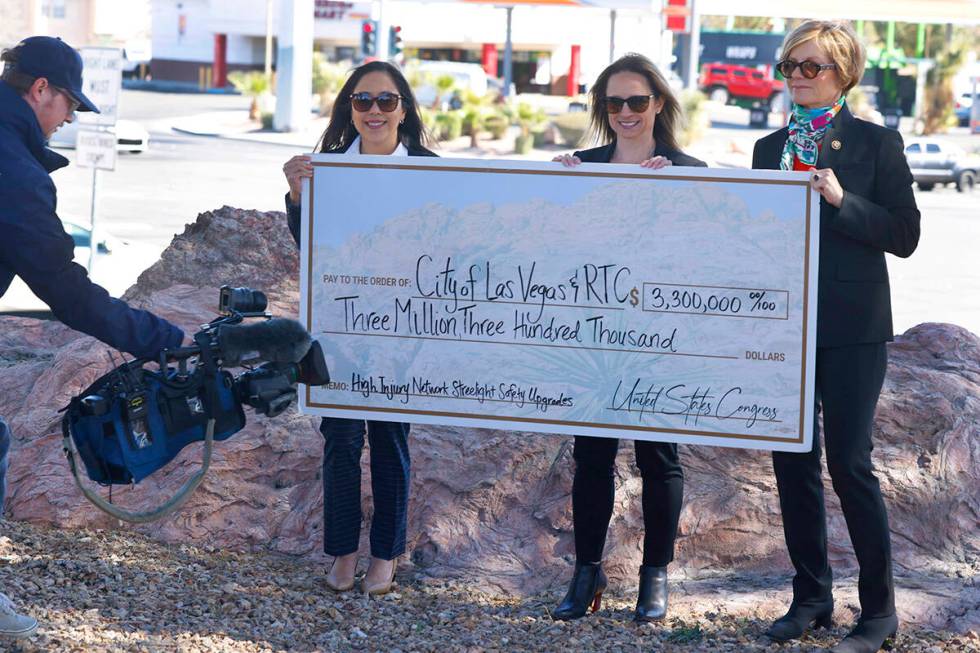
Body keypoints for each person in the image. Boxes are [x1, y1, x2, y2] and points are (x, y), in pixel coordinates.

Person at [0, 36, 185, 639]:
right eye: (69, 105)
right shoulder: (15, 170)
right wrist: (160, 339)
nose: (70, 119)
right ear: (40, 91)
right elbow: (65, 289)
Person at [752, 20, 919, 653]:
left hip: (853, 329)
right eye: (789, 65)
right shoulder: (769, 149)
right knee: (791, 463)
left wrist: (842, 199)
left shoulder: (878, 144)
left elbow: (905, 235)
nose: (797, 76)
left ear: (843, 72)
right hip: (785, 327)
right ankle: (811, 597)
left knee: (850, 465)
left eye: (812, 66)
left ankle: (879, 612)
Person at [550, 53, 705, 623]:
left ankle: (654, 576)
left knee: (658, 458)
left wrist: (677, 200)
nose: (625, 112)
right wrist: (555, 190)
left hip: (658, 338)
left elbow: (706, 256)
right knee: (592, 457)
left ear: (658, 104)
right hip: (594, 337)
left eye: (637, 101)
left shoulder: (689, 170)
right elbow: (550, 245)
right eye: (613, 103)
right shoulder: (582, 166)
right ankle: (586, 573)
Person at [281, 61, 435, 596]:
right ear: (349, 108)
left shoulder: (432, 171)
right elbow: (311, 252)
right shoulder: (325, 170)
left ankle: (386, 557)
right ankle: (342, 553)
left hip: (402, 334)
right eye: (362, 101)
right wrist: (298, 197)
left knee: (391, 442)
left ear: (404, 109)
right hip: (340, 330)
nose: (374, 111)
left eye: (386, 101)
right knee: (340, 442)